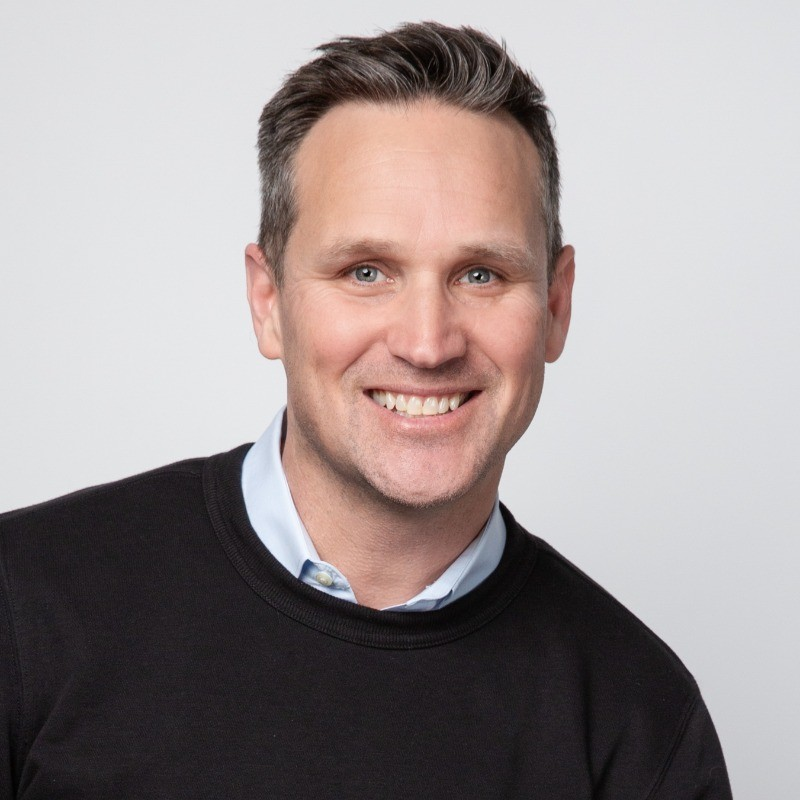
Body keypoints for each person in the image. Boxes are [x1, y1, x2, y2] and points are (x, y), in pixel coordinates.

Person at [0, 21, 732, 799]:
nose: (427, 343)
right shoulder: (25, 606)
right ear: (268, 301)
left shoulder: (640, 722)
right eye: (366, 272)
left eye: (481, 275)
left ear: (555, 306)